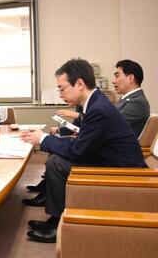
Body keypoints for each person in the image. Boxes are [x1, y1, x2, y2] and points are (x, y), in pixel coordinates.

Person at [21, 59, 146, 243]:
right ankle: (56, 219)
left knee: (57, 163)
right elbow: (83, 143)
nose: (60, 94)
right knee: (57, 156)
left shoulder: (98, 108)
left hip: (123, 172)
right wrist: (52, 139)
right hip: (108, 160)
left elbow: (78, 151)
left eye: (62, 88)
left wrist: (43, 139)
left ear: (79, 84)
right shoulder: (95, 103)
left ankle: (58, 224)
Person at [112, 59, 150, 137]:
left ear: (130, 78)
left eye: (117, 76)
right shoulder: (126, 99)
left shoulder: (137, 102)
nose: (113, 81)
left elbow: (110, 123)